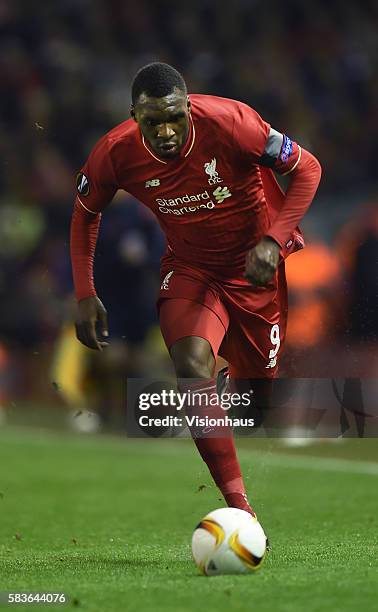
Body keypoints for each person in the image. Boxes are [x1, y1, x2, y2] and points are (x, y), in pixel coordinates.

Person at [70, 62, 321, 517]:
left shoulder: (232, 123)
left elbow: (308, 169)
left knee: (253, 412)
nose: (165, 131)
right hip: (190, 269)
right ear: (134, 116)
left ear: (188, 106)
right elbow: (85, 211)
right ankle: (238, 509)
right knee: (189, 362)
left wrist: (273, 240)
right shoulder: (115, 153)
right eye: (152, 122)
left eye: (174, 117)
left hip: (253, 271)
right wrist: (85, 291)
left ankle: (227, 395)